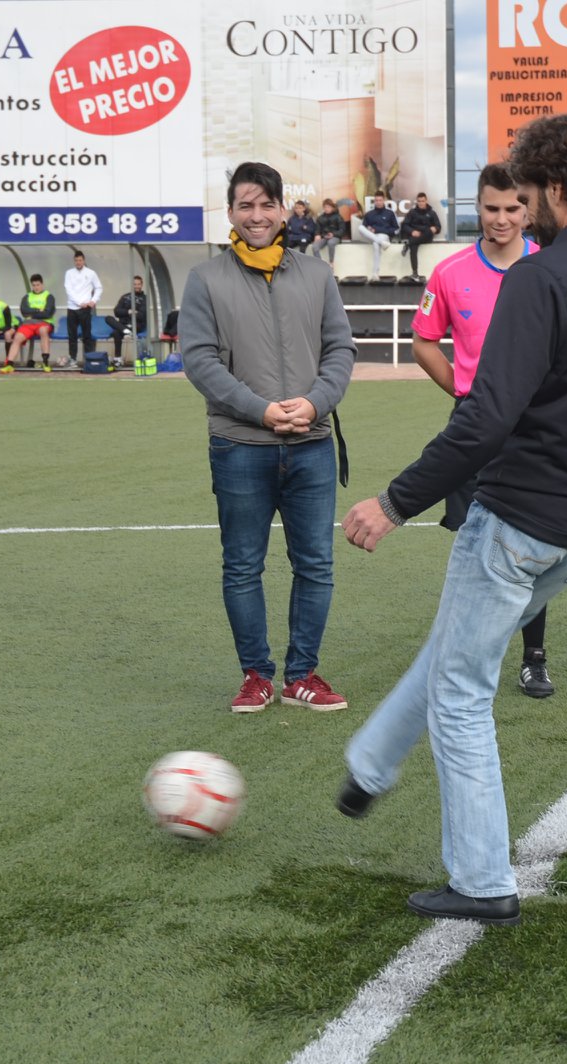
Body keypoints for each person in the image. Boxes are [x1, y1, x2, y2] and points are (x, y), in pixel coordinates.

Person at [335, 113, 567, 926]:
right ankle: (370, 766)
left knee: (461, 686)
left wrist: (393, 503)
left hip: (517, 520)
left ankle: (484, 879)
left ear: (555, 191)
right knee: (458, 649)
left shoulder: (540, 279)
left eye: (527, 197)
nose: (522, 213)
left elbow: (484, 418)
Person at [179, 160, 357, 713]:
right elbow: (200, 360)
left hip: (312, 444)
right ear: (231, 212)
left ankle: (302, 674)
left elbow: (340, 352)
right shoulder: (206, 279)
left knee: (316, 565)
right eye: (245, 205)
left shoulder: (317, 275)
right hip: (239, 446)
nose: (256, 216)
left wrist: (313, 402)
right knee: (242, 565)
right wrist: (260, 411)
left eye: (266, 204)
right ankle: (255, 674)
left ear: (283, 209)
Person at [410, 162, 554, 698]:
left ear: (528, 209)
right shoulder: (450, 273)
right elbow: (425, 339)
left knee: (532, 539)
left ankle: (534, 656)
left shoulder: (551, 266)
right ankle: (467, 652)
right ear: (478, 208)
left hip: (539, 425)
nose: (502, 218)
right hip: (475, 424)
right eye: (491, 208)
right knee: (472, 540)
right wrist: (461, 390)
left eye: (513, 208)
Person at [6, 274, 55, 371]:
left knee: (43, 331)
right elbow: (24, 311)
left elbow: (48, 313)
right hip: (28, 324)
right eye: (34, 285)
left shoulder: (49, 296)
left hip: (44, 323)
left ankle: (45, 363)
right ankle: (9, 364)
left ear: (42, 284)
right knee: (17, 337)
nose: (36, 287)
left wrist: (32, 313)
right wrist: (38, 310)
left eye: (38, 285)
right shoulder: (27, 297)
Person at [62, 252, 101, 366]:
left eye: (80, 260)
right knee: (72, 335)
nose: (78, 262)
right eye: (76, 260)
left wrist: (93, 301)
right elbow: (68, 290)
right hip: (72, 308)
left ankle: (88, 359)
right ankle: (73, 359)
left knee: (87, 335)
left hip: (85, 309)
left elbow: (99, 287)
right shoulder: (69, 273)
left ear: (83, 261)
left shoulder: (91, 273)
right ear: (74, 261)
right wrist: (79, 303)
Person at [397, 191, 442, 283]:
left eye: (423, 201)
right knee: (413, 246)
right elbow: (405, 225)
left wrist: (435, 229)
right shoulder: (412, 212)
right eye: (419, 201)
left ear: (426, 201)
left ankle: (408, 244)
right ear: (417, 202)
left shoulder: (432, 213)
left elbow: (439, 227)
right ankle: (415, 273)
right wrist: (412, 231)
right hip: (415, 236)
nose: (421, 203)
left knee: (428, 230)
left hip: (426, 236)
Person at [109, 275, 148, 366]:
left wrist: (127, 313)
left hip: (136, 325)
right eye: (135, 284)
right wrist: (129, 311)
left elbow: (141, 316)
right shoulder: (125, 297)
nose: (137, 286)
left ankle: (125, 330)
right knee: (108, 319)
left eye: (138, 284)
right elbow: (116, 311)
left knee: (116, 331)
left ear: (142, 285)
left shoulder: (145, 299)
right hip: (123, 324)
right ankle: (118, 358)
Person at [360, 193, 399, 280]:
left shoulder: (390, 213)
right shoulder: (369, 214)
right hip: (372, 236)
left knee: (376, 244)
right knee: (360, 227)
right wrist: (369, 229)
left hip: (384, 236)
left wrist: (378, 230)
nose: (378, 202)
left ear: (384, 200)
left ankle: (375, 273)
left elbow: (396, 229)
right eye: (376, 200)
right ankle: (381, 243)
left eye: (380, 200)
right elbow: (364, 227)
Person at [311, 198, 346, 264]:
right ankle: (320, 264)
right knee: (314, 246)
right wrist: (317, 234)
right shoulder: (320, 218)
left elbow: (342, 230)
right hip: (324, 236)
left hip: (335, 236)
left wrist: (333, 234)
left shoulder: (338, 217)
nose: (326, 209)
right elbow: (317, 229)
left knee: (331, 243)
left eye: (328, 207)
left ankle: (331, 262)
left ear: (332, 207)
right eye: (325, 207)